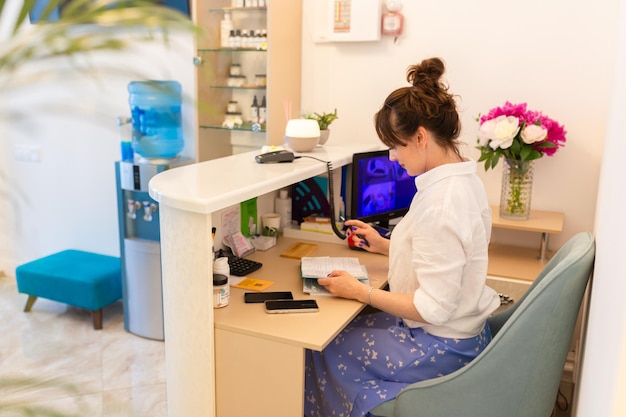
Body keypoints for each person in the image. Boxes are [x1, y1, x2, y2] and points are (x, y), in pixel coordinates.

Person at [304, 57, 501, 417]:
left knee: (322, 347)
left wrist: (359, 291)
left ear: (421, 137)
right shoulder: (461, 180)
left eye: (396, 146)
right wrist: (385, 245)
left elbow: (432, 308)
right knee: (355, 325)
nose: (393, 158)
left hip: (443, 347)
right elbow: (444, 257)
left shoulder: (442, 202)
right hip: (462, 334)